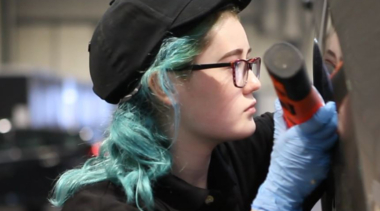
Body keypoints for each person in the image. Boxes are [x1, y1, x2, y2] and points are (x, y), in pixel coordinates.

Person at [49, 0, 338, 211]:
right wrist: (275, 202)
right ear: (164, 86)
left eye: (249, 61)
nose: (253, 83)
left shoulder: (231, 157)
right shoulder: (99, 206)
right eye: (234, 65)